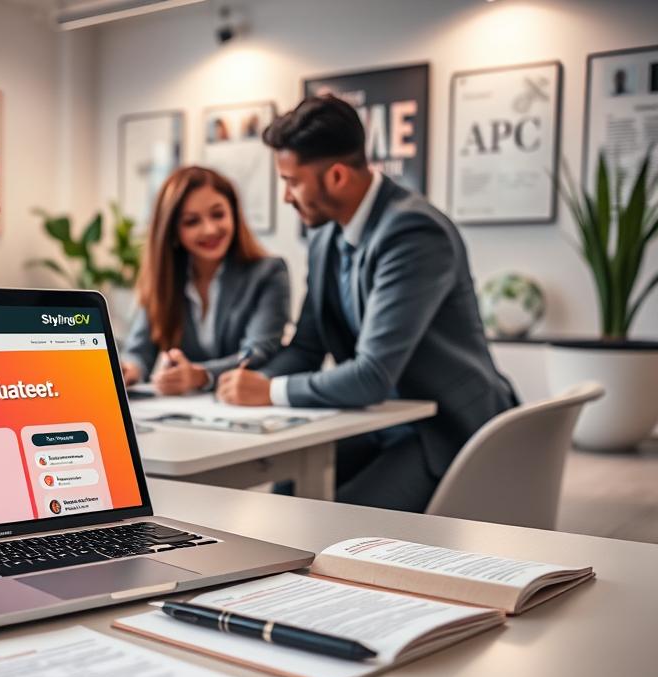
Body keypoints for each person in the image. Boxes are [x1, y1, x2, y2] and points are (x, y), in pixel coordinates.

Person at [217, 95, 518, 512]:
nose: (286, 196)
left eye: (291, 181)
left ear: (337, 176)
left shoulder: (412, 232)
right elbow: (306, 346)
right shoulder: (324, 236)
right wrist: (240, 385)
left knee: (339, 526)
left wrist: (269, 390)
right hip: (376, 420)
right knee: (287, 500)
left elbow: (372, 375)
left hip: (443, 429)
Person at [121, 166, 290, 395]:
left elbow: (258, 352)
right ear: (172, 231)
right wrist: (130, 370)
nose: (209, 229)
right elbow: (139, 351)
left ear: (234, 214)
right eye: (192, 221)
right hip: (185, 412)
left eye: (218, 214)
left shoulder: (268, 273)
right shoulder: (165, 279)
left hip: (244, 404)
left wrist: (200, 375)